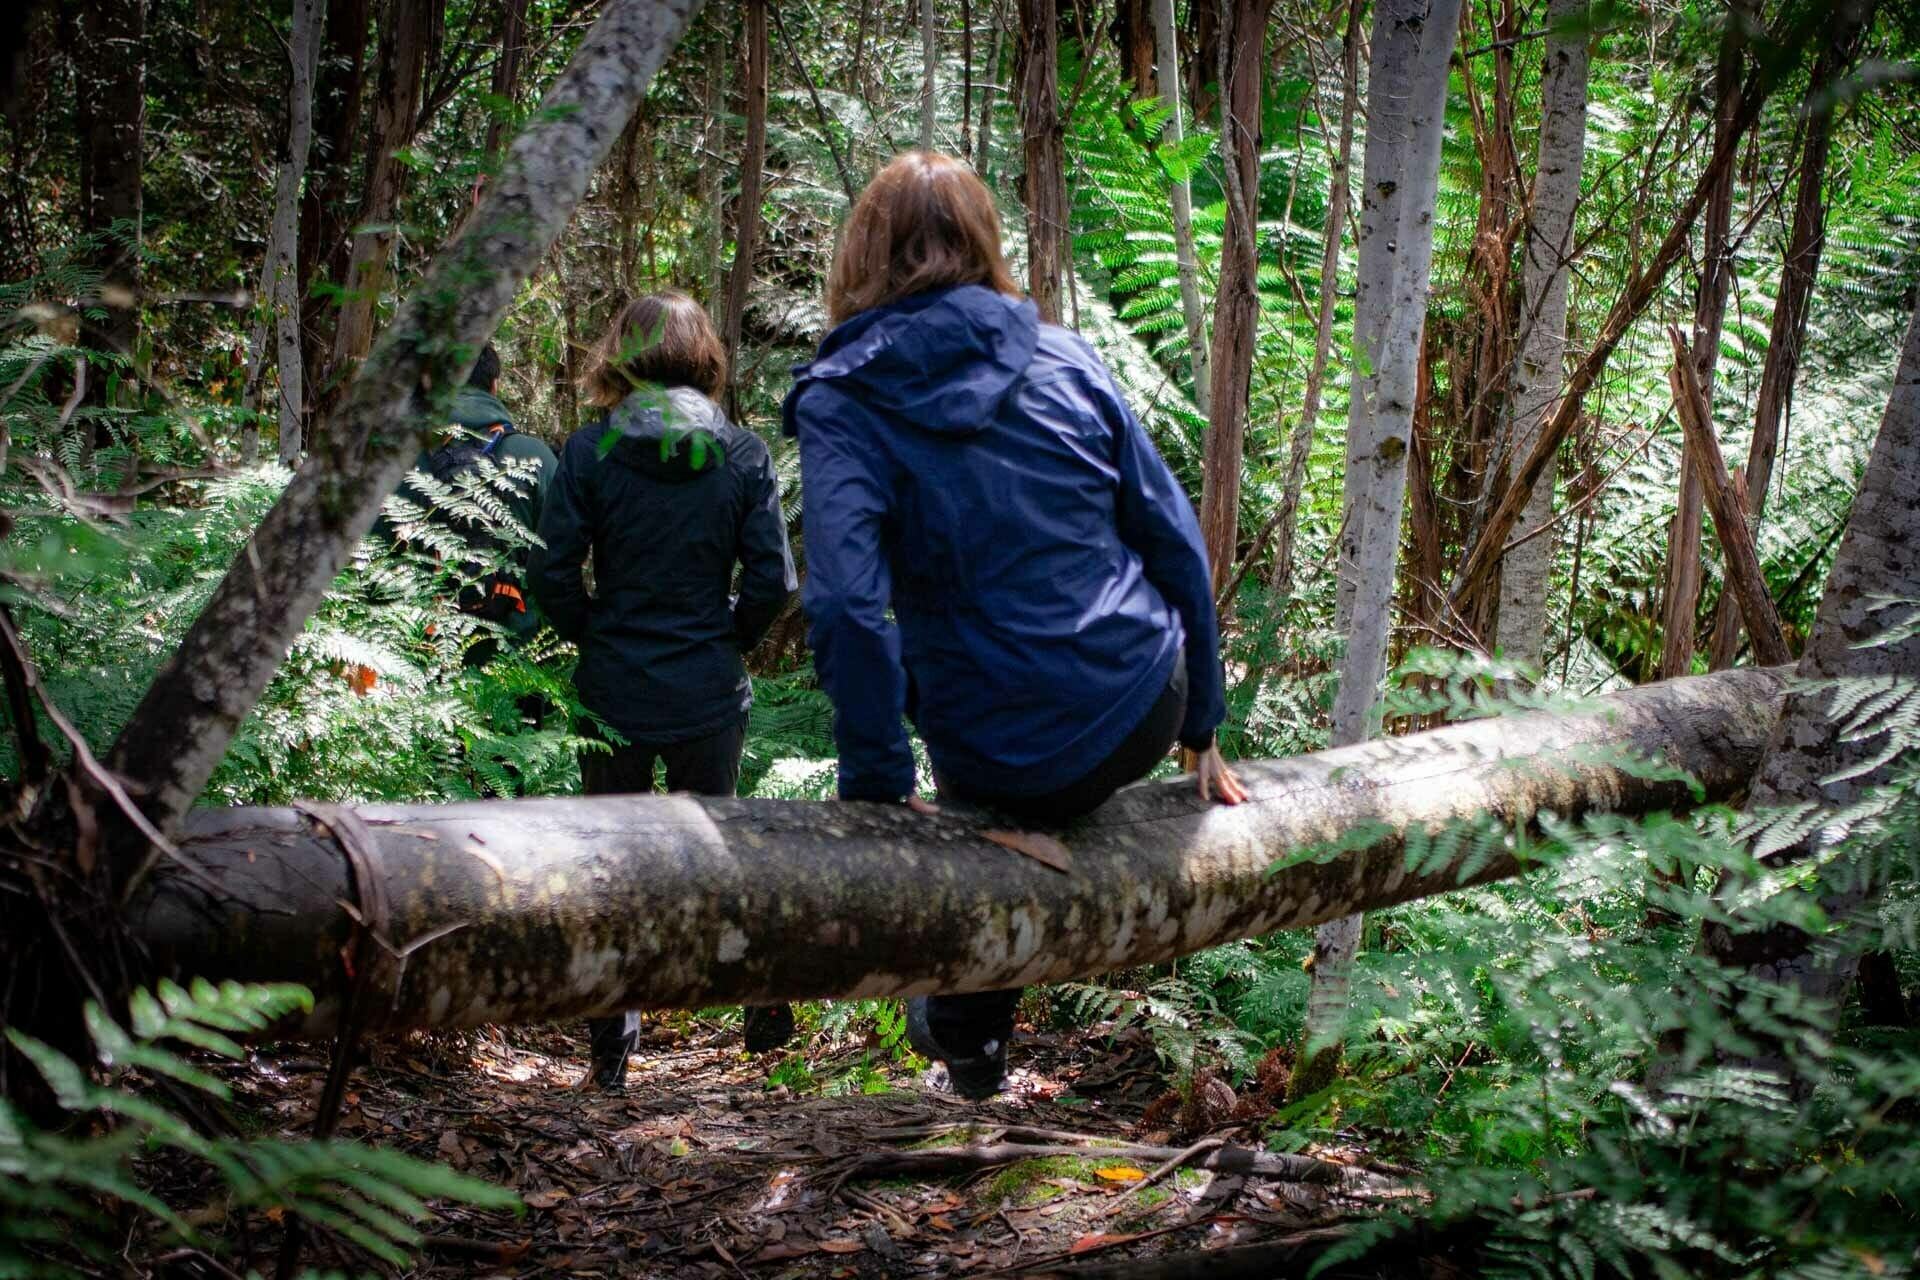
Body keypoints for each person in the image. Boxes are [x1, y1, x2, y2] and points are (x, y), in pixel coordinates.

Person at [783, 151, 1248, 1102]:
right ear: (984, 244)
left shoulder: (844, 400)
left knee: (986, 769)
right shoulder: (1066, 354)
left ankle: (973, 1062)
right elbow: (1173, 541)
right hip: (1140, 703)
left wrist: (874, 780)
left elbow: (842, 604)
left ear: (859, 258)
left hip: (996, 747)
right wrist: (1202, 725)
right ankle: (970, 1048)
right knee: (1000, 718)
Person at [528, 290, 799, 1092]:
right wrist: (726, 641)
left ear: (625, 354)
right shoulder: (744, 455)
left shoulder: (590, 450)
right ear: (705, 357)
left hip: (614, 685)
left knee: (609, 862)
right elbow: (772, 581)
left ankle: (611, 1047)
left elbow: (550, 570)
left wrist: (596, 631)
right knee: (714, 845)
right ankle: (756, 991)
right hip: (707, 689)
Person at [384, 342, 558, 666]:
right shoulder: (537, 459)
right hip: (519, 666)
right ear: (494, 386)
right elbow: (559, 571)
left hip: (421, 668)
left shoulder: (398, 463)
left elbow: (370, 569)